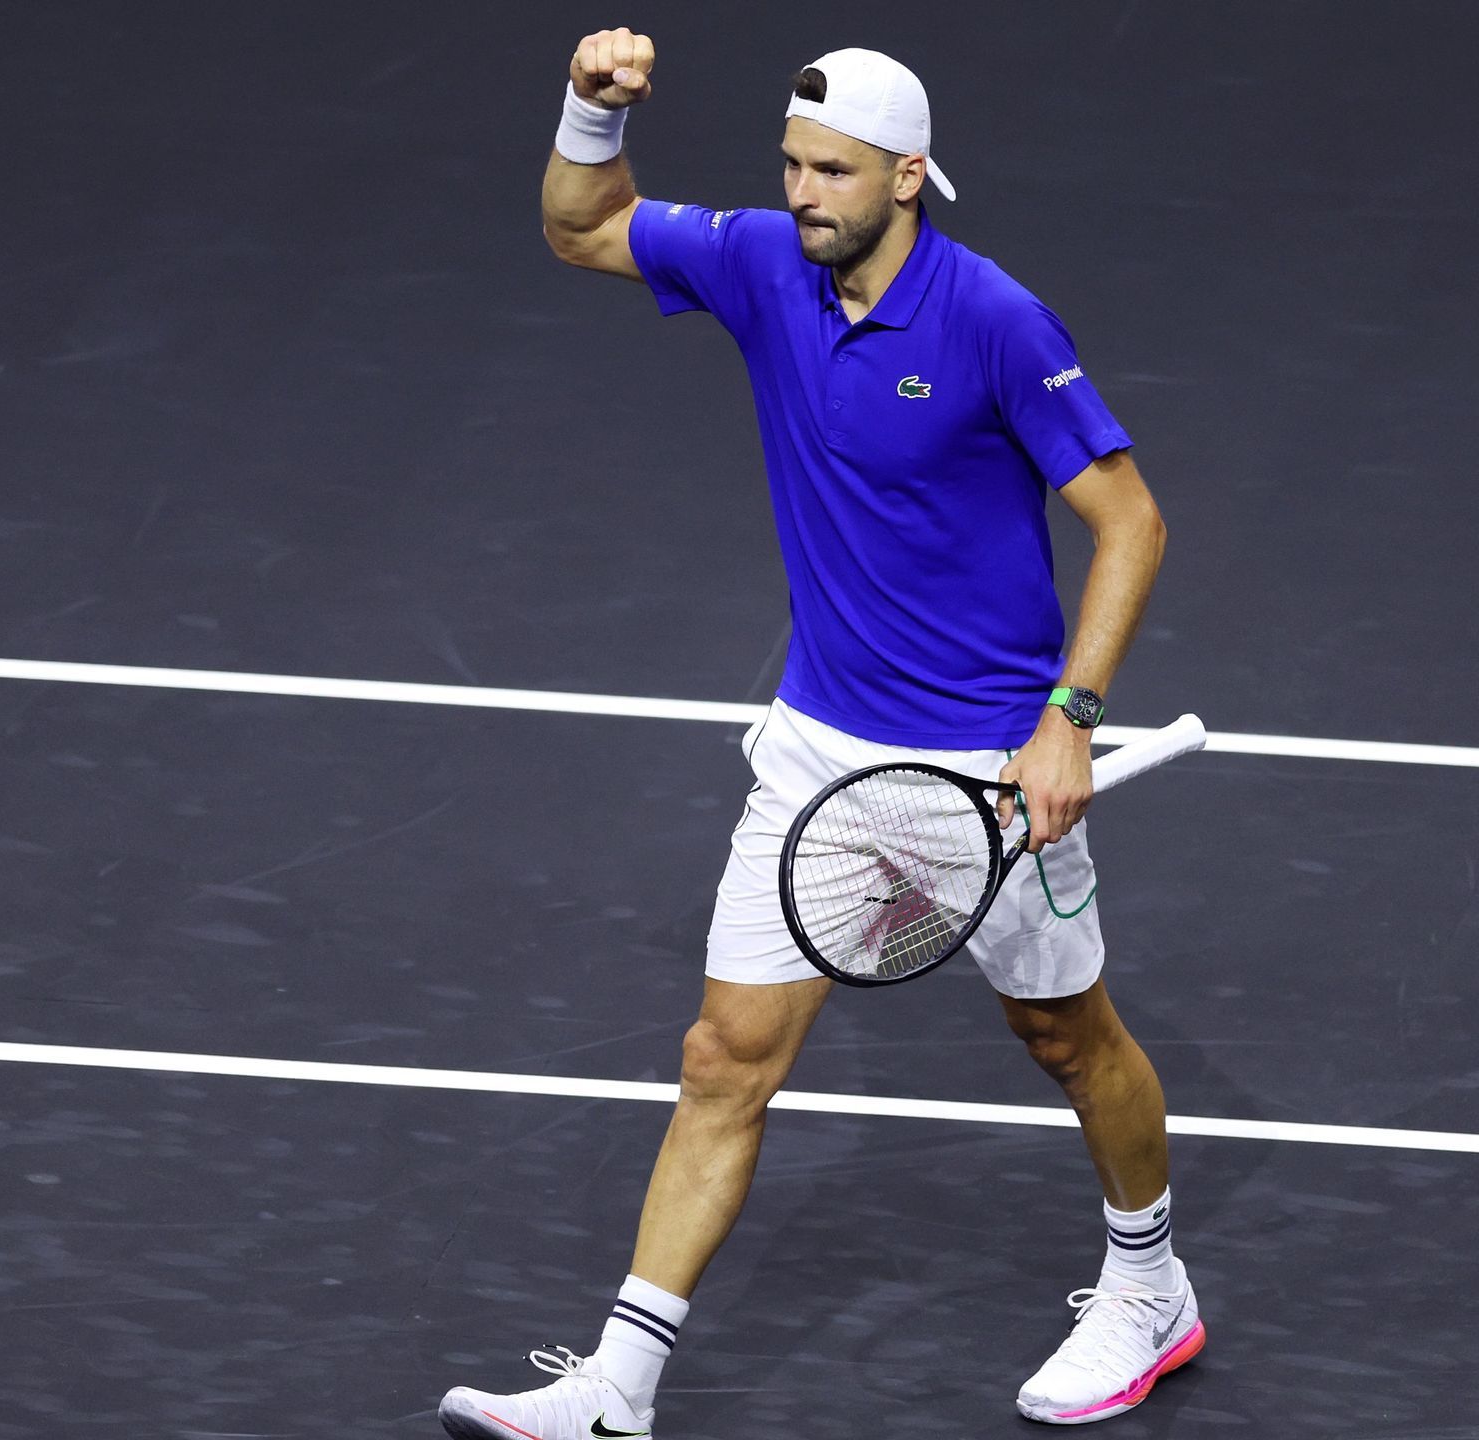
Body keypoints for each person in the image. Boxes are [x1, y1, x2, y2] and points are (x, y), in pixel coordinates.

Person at [439, 29, 1199, 1437]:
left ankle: (1150, 1285)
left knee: (1065, 1036)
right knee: (726, 1053)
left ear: (909, 176)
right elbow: (579, 228)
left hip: (984, 758)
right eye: (791, 164)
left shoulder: (993, 321)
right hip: (817, 750)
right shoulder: (758, 264)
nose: (802, 193)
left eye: (833, 171)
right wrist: (586, 111)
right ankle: (619, 1387)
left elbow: (1130, 521)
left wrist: (1067, 726)